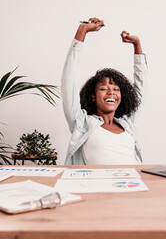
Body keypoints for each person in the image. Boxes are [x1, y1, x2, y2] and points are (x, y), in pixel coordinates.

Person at [61, 17, 148, 165]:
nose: (111, 93)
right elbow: (69, 81)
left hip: (134, 183)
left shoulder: (128, 122)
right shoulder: (81, 122)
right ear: (93, 96)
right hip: (98, 185)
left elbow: (141, 88)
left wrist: (137, 45)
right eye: (103, 88)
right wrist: (82, 30)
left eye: (116, 89)